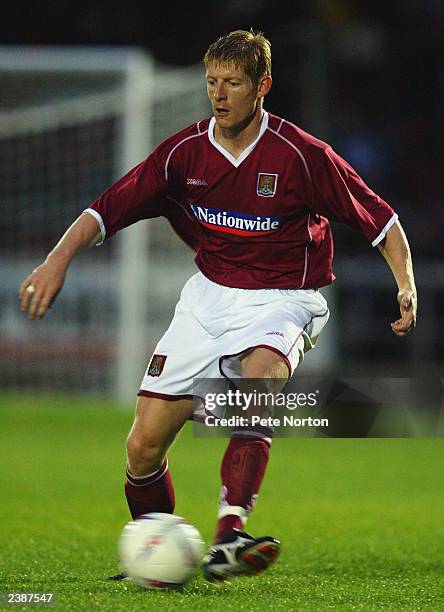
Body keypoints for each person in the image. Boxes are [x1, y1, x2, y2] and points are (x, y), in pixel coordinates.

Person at [19, 29, 417, 584]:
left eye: (233, 83)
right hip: (207, 299)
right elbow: (106, 209)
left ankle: (231, 534)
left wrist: (405, 281)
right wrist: (56, 261)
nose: (219, 94)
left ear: (263, 86)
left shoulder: (302, 155)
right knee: (142, 446)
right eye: (212, 82)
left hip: (284, 298)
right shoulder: (184, 154)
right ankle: (157, 556)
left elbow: (382, 220)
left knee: (258, 386)